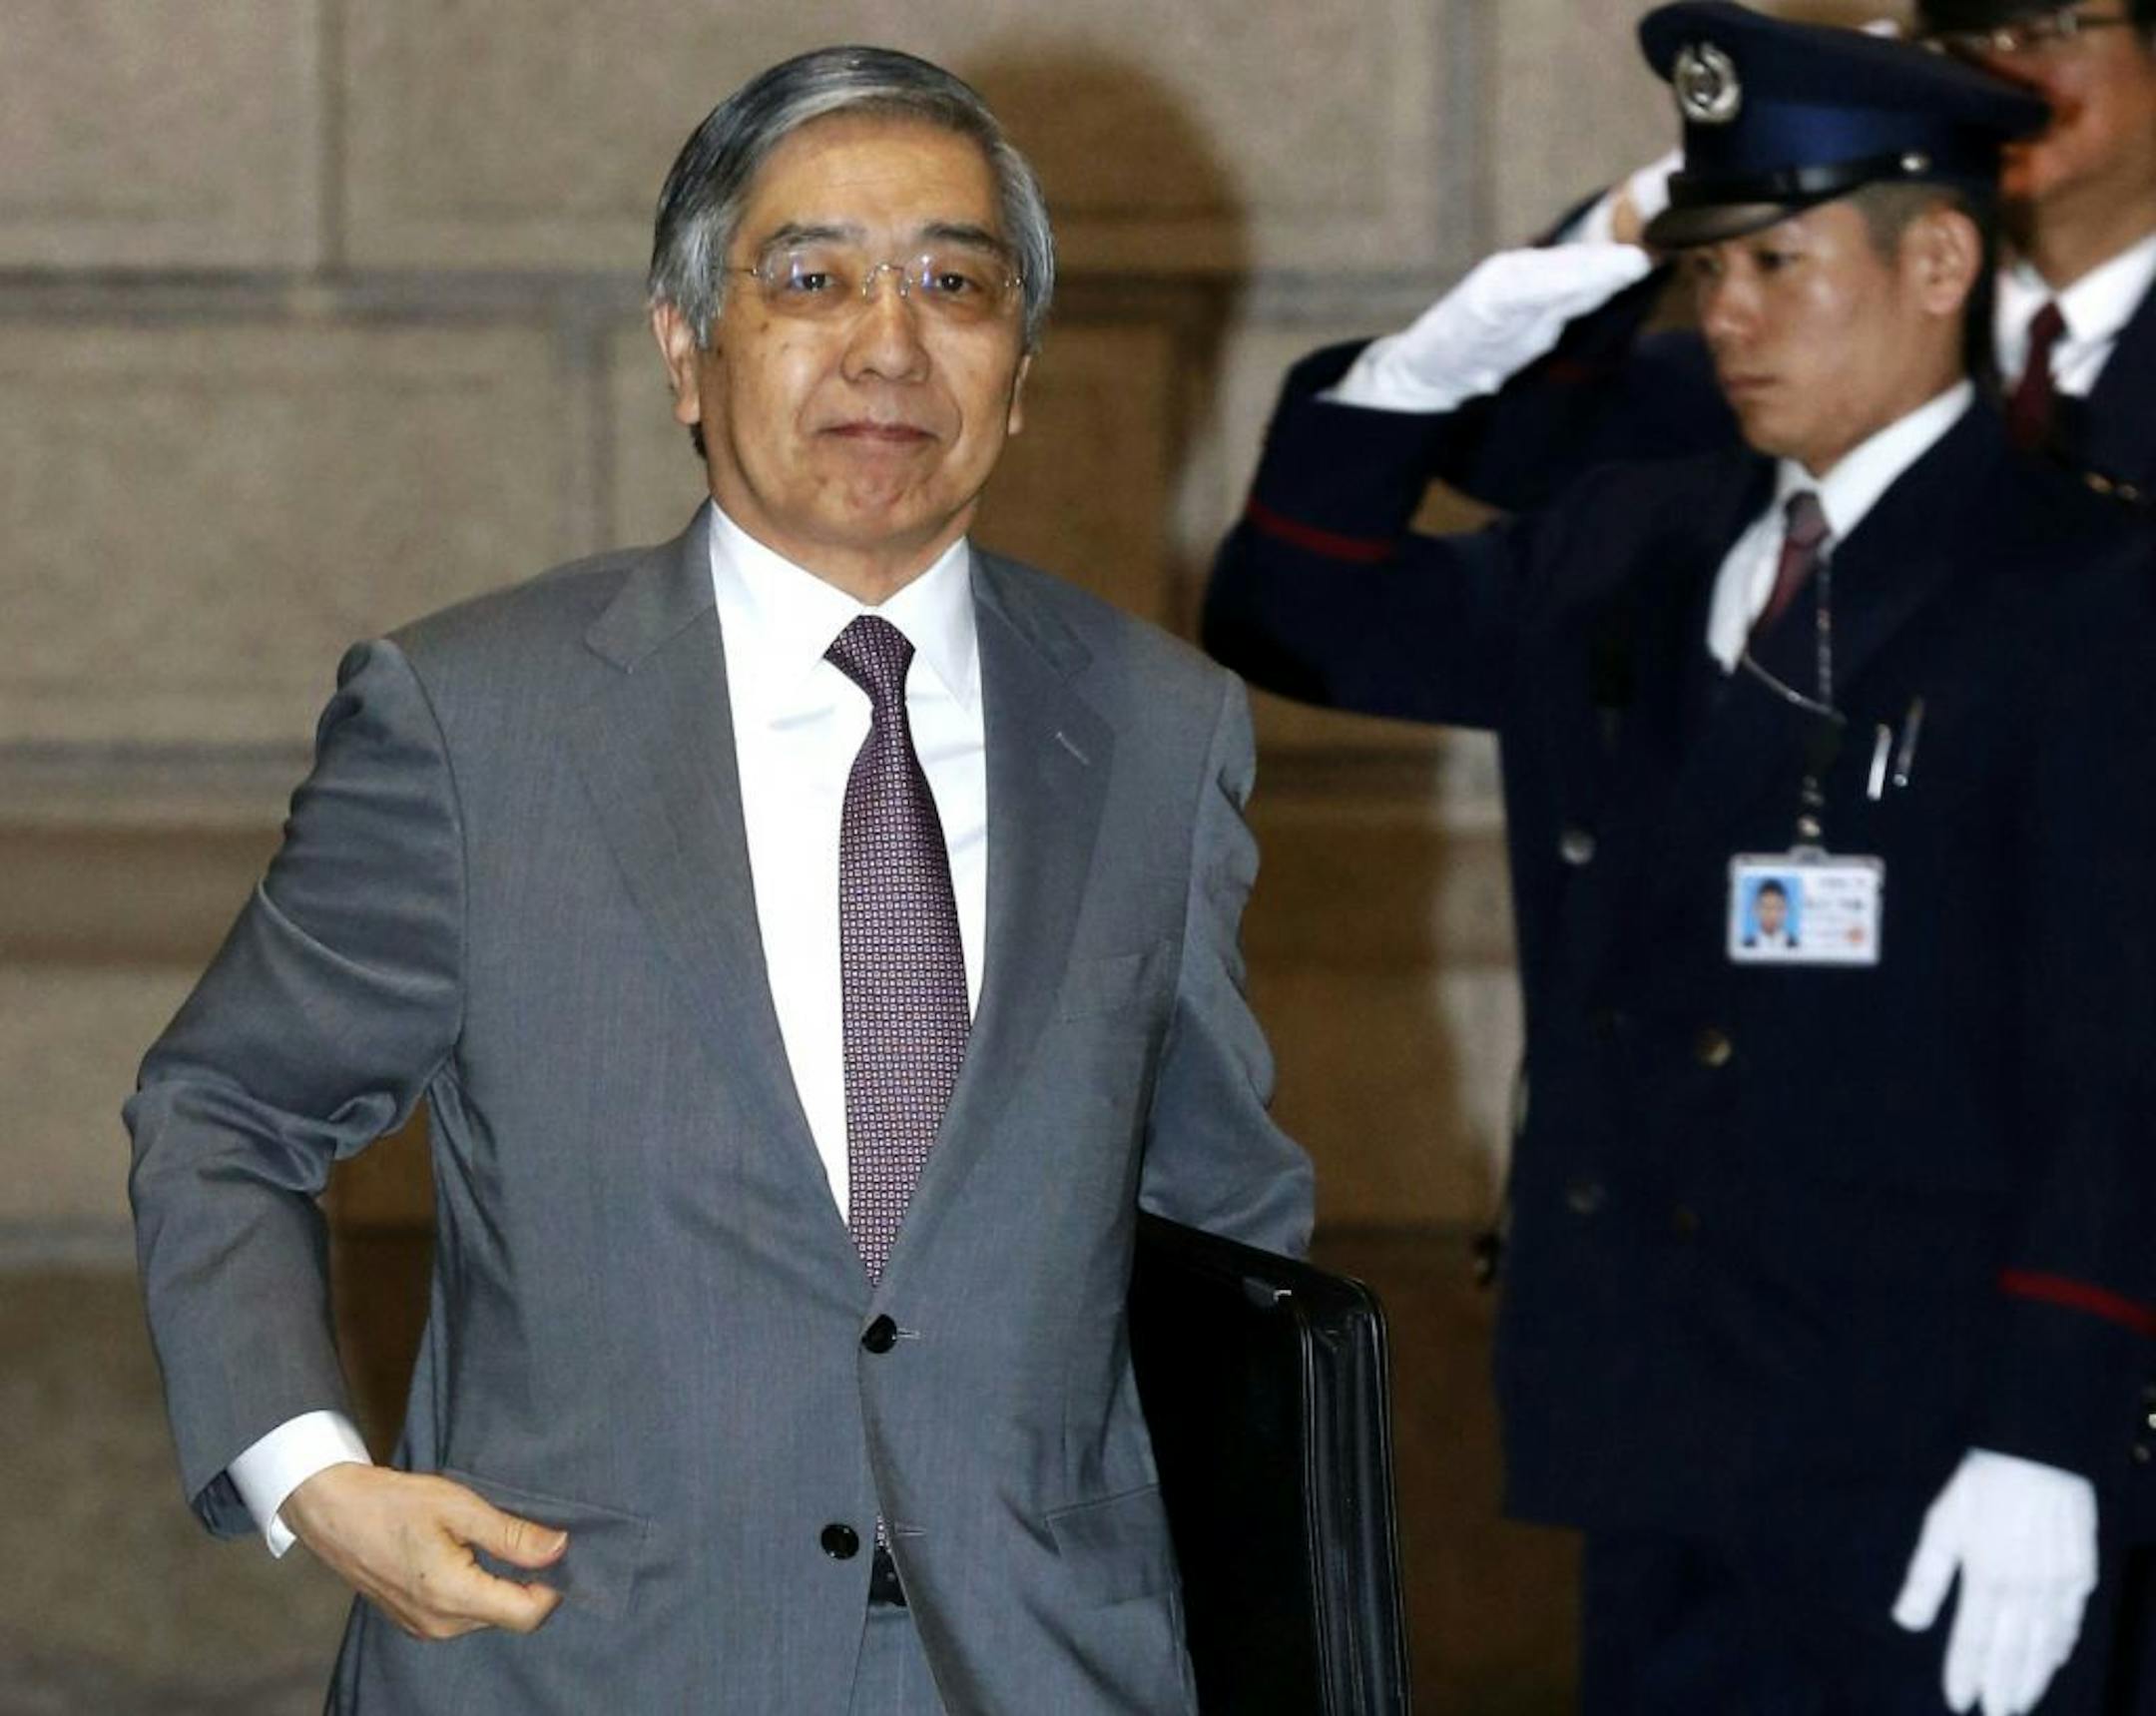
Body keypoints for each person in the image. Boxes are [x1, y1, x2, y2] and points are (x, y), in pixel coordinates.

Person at [126, 45, 1313, 1716]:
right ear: (687, 349)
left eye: (954, 284)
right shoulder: (474, 719)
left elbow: (1224, 1229)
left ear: (1021, 371)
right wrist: (313, 1471)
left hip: (1047, 1661)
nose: (888, 342)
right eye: (813, 279)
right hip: (581, 1656)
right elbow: (225, 1107)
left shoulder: (1158, 728)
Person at [1208, 5, 2156, 1711]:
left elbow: (2116, 1057)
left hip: (1933, 1437)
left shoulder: (2080, 581)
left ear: (1939, 260)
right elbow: (1296, 611)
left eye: (1778, 263)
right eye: (1707, 268)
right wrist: (1445, 353)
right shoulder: (1636, 534)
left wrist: (2051, 1429)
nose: (1724, 312)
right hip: (1652, 1418)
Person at [1338, 0, 2156, 519]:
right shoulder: (1793, 356)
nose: (1993, 66)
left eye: (2043, 28)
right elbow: (1503, 447)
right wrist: (1638, 217)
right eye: (1955, 33)